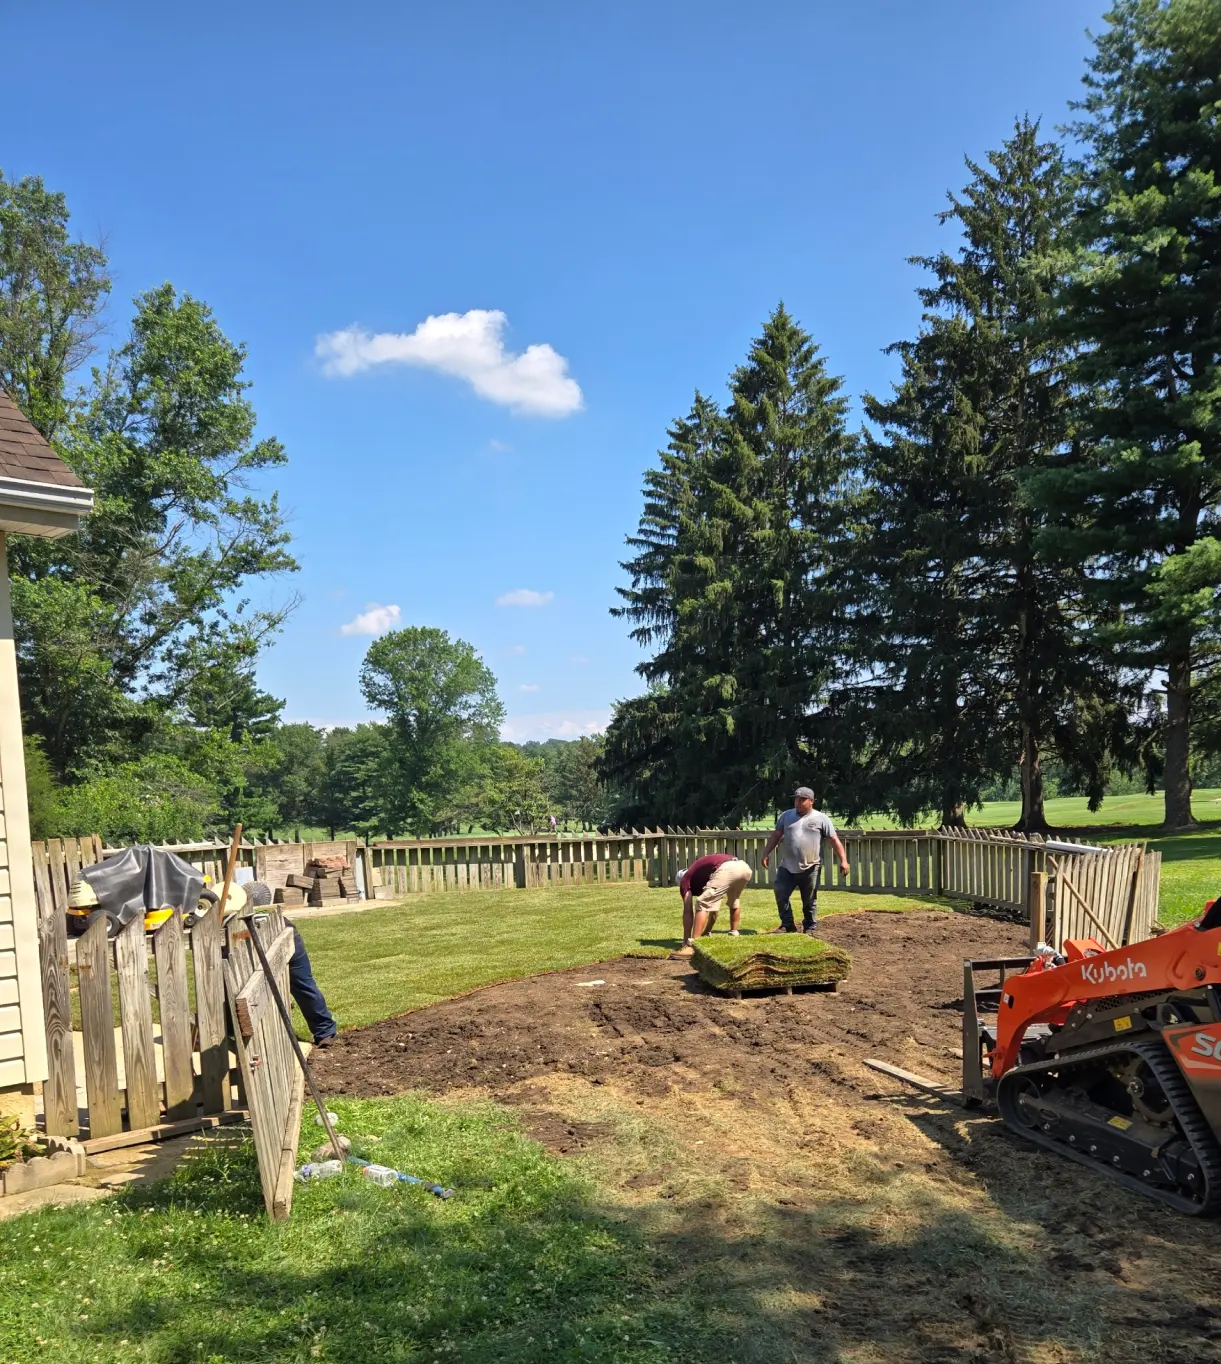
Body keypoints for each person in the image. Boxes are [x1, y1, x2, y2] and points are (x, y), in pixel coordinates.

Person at [245, 880, 339, 1049]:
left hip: (287, 939)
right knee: (303, 985)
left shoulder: (253, 918)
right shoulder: (261, 915)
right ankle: (325, 1031)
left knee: (302, 984)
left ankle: (324, 1031)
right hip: (280, 938)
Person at [760, 787, 850, 936]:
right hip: (787, 865)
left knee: (809, 900)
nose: (798, 802)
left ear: (812, 801)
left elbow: (834, 840)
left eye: (802, 800)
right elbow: (776, 836)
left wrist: (844, 861)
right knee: (780, 893)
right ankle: (788, 925)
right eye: (796, 799)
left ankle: (810, 926)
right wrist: (765, 853)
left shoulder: (821, 819)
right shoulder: (786, 816)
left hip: (811, 866)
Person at [671, 851, 753, 959]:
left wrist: (685, 940)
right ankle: (734, 932)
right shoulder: (703, 874)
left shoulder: (685, 880)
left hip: (727, 868)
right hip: (744, 867)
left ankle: (693, 946)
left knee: (702, 902)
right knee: (734, 900)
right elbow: (714, 907)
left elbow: (688, 911)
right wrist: (707, 930)